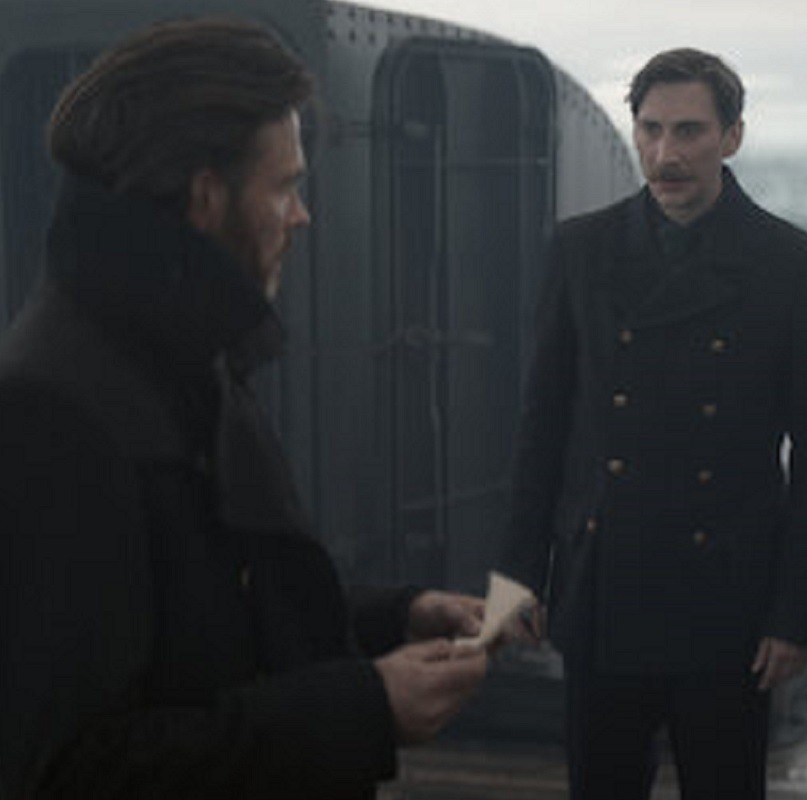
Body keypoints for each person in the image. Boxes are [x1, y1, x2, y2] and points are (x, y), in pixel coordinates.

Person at [0, 18, 489, 799]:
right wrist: (364, 707)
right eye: (285, 186)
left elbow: (215, 609)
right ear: (205, 196)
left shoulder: (167, 354)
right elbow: (64, 767)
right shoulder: (51, 415)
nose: (302, 216)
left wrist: (395, 619)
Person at [500, 47, 807, 800]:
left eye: (689, 131)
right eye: (650, 130)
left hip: (726, 601)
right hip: (604, 588)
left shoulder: (795, 266)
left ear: (732, 136)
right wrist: (516, 576)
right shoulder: (580, 249)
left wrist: (796, 616)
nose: (666, 154)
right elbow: (541, 426)